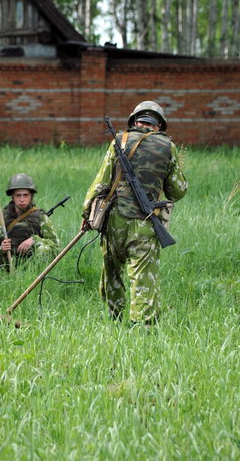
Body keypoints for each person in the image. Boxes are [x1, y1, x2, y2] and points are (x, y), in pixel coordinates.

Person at [81, 101, 188, 326]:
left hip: (115, 221)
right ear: (159, 125)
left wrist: (86, 214)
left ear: (135, 121)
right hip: (146, 224)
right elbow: (177, 191)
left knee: (112, 274)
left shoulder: (118, 141)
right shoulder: (168, 147)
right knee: (143, 279)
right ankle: (143, 329)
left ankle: (115, 320)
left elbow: (100, 184)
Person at [0, 173, 59, 270]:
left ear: (31, 196)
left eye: (25, 195)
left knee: (44, 250)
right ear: (12, 196)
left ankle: (35, 275)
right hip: (8, 266)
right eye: (18, 195)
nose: (22, 199)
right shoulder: (3, 219)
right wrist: (2, 250)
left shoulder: (41, 218)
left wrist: (35, 240)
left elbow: (55, 246)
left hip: (33, 265)